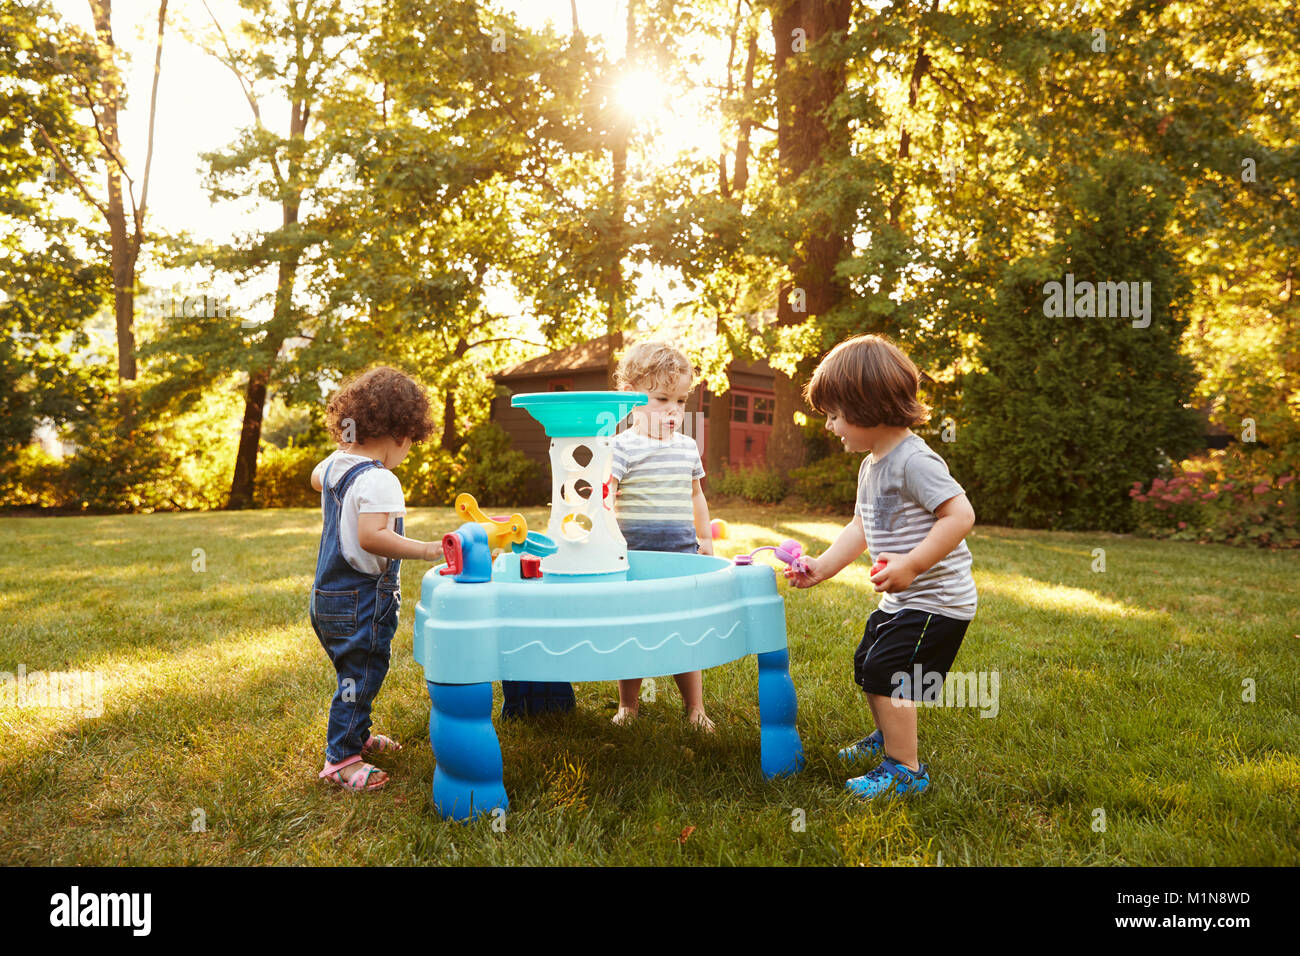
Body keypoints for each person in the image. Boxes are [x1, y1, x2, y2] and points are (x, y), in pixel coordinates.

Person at [786, 334, 977, 799]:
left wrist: (912, 564)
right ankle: (889, 738)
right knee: (869, 665)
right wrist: (823, 567)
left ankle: (905, 769)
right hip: (903, 598)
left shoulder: (915, 460)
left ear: (868, 405)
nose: (831, 427)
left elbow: (961, 515)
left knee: (891, 675)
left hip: (936, 601)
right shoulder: (872, 465)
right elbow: (861, 525)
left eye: (835, 415)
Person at [308, 366, 445, 791]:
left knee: (355, 675)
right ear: (403, 435)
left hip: (327, 597)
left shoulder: (337, 466)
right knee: (361, 675)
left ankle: (357, 734)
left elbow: (316, 479)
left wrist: (342, 452)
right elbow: (372, 537)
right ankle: (341, 759)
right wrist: (424, 549)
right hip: (362, 600)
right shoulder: (381, 478)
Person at [608, 341, 717, 731]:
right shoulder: (620, 447)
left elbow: (696, 495)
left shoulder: (688, 447)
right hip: (635, 557)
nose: (673, 410)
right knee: (634, 630)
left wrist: (704, 540)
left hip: (680, 555)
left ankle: (695, 708)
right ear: (633, 399)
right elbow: (606, 497)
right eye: (661, 399)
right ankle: (629, 706)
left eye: (681, 401)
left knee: (683, 631)